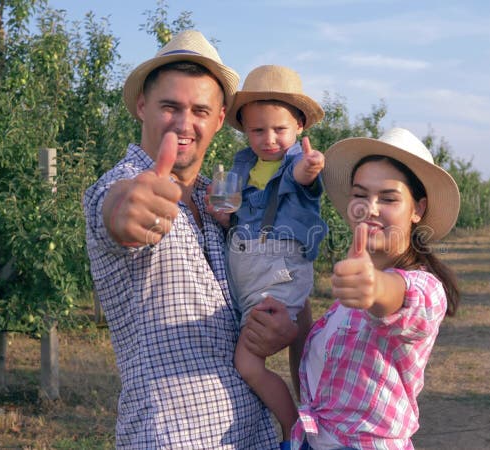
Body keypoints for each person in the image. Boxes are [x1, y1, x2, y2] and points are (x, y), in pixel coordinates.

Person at [82, 30, 306, 449]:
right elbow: (116, 210)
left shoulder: (224, 199)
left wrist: (277, 327)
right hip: (172, 437)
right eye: (171, 106)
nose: (185, 123)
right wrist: (127, 210)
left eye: (200, 110)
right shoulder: (121, 185)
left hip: (252, 435)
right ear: (142, 106)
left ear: (219, 120)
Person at [290, 127, 462, 449]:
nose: (369, 208)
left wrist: (374, 286)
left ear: (417, 209)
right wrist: (297, 314)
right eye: (360, 194)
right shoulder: (342, 303)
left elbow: (398, 295)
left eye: (388, 198)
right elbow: (319, 390)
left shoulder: (425, 288)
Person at [207, 64, 327, 444]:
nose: (269, 138)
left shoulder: (295, 163)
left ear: (300, 128)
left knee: (247, 363)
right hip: (246, 269)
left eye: (280, 129)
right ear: (245, 130)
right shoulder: (242, 167)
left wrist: (311, 166)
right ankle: (305, 420)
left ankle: (294, 432)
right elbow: (237, 221)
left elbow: (304, 180)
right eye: (258, 130)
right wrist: (224, 217)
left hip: (278, 269)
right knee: (291, 350)